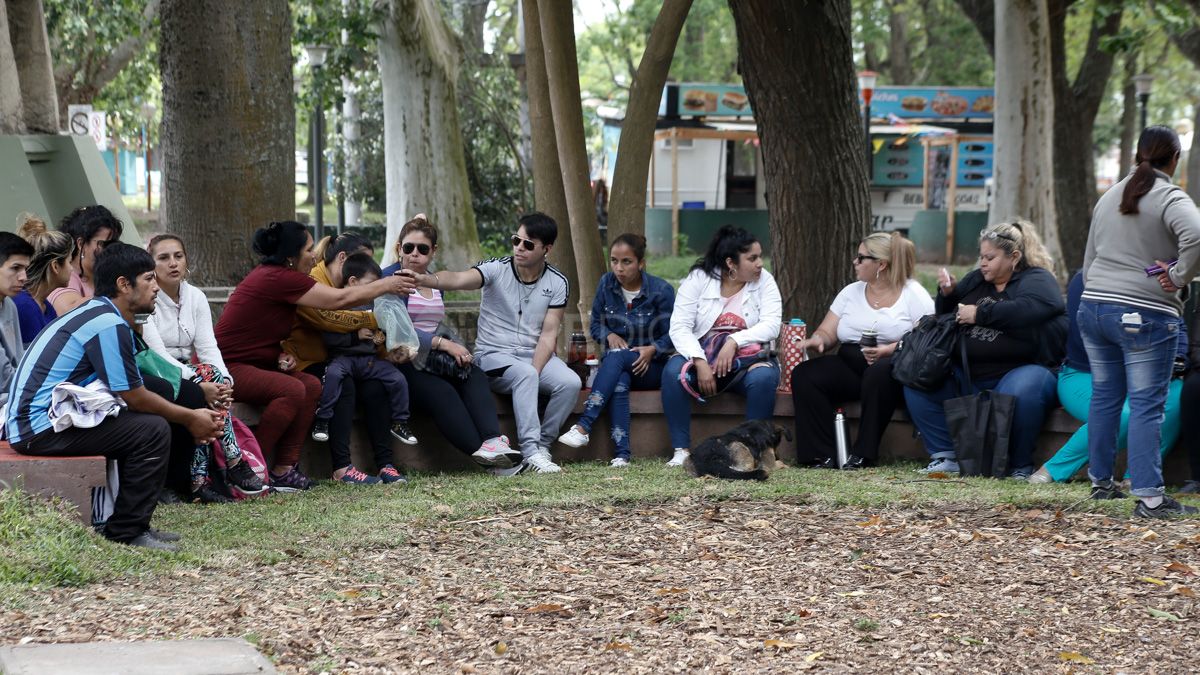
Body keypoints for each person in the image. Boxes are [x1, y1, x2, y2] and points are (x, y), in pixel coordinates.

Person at [6, 242, 223, 551]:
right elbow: (133, 397)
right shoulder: (106, 323)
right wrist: (190, 418)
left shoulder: (103, 315)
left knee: (152, 409)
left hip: (38, 423)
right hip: (37, 429)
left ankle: (129, 522)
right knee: (151, 430)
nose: (156, 287)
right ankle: (127, 531)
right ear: (124, 284)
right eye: (148, 278)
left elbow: (138, 383)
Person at [214, 221, 415, 491]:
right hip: (227, 367)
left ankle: (284, 469)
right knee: (293, 389)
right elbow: (337, 301)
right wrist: (387, 284)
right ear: (290, 256)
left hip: (257, 364)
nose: (314, 253)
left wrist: (280, 354)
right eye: (308, 249)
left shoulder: (283, 278)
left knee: (310, 386)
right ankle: (248, 466)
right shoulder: (279, 278)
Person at [1079, 125, 1200, 517]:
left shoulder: (1110, 194)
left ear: (1137, 154)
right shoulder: (1168, 196)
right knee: (1148, 404)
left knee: (1105, 395)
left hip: (1094, 306)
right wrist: (1179, 276)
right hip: (1144, 312)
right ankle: (1149, 497)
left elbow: (1090, 257)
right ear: (1175, 158)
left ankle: (1100, 483)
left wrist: (1094, 291)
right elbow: (1197, 237)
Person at [409, 212, 579, 474]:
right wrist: (427, 279)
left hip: (533, 356)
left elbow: (548, 334)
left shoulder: (558, 282)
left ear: (547, 249)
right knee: (525, 376)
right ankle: (530, 450)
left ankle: (542, 448)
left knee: (570, 383)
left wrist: (535, 369)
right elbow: (458, 279)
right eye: (516, 240)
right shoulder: (496, 269)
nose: (519, 248)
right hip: (493, 356)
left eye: (528, 244)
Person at [903, 220, 1066, 479]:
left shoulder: (1036, 279)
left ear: (1014, 257)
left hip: (1019, 371)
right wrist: (947, 293)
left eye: (990, 257)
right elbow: (946, 314)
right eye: (981, 256)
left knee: (1025, 389)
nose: (983, 263)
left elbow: (1038, 306)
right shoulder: (977, 280)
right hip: (966, 373)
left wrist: (981, 313)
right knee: (916, 377)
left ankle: (1019, 464)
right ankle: (946, 454)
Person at [381, 215, 520, 469]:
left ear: (433, 251)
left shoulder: (435, 282)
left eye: (422, 249)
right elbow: (398, 331)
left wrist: (453, 347)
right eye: (408, 247)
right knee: (443, 393)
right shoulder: (391, 279)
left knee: (473, 373)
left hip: (431, 359)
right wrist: (444, 345)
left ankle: (492, 443)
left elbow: (433, 324)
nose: (414, 254)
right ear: (399, 248)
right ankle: (492, 462)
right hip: (401, 362)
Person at [790, 232, 933, 469]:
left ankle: (864, 453)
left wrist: (887, 350)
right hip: (851, 363)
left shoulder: (913, 293)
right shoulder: (851, 292)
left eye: (861, 258)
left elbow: (927, 339)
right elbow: (828, 331)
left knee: (878, 373)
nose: (855, 262)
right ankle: (821, 454)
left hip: (894, 367)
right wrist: (817, 340)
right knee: (806, 374)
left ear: (881, 264)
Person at [140, 234, 266, 500]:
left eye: (178, 256)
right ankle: (232, 462)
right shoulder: (146, 298)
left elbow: (208, 348)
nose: (173, 264)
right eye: (163, 258)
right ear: (151, 265)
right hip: (159, 371)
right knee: (201, 390)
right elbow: (158, 356)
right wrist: (201, 382)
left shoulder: (195, 296)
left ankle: (200, 479)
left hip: (194, 371)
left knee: (212, 380)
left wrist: (225, 382)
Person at [281, 231, 413, 484]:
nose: (369, 272)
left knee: (377, 387)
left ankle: (386, 465)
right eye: (362, 262)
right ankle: (342, 468)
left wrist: (387, 348)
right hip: (310, 360)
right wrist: (376, 320)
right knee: (344, 385)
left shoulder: (360, 289)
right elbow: (326, 319)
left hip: (353, 359)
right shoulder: (314, 280)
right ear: (343, 258)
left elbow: (375, 335)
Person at [1031, 271, 1186, 484]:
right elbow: (1094, 339)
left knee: (1176, 398)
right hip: (1085, 374)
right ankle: (1053, 469)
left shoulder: (1156, 275)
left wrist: (1177, 357)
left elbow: (1177, 324)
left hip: (1143, 374)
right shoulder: (1086, 277)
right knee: (1123, 414)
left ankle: (1139, 476)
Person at [660, 225, 782, 468]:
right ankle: (681, 451)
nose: (760, 263)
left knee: (764, 377)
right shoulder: (699, 279)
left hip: (747, 360)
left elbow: (772, 325)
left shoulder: (765, 281)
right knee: (672, 373)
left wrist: (734, 340)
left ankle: (752, 451)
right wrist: (699, 359)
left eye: (760, 256)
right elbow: (679, 327)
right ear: (731, 263)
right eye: (752, 258)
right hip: (703, 357)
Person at [556, 233, 675, 467]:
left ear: (641, 263)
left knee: (616, 359)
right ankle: (621, 455)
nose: (618, 268)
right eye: (614, 261)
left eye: (626, 262)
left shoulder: (661, 291)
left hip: (651, 368)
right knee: (618, 378)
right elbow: (597, 324)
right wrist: (609, 335)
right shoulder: (606, 284)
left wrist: (652, 349)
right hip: (617, 368)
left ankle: (584, 425)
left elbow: (674, 335)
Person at [48, 204, 124, 316]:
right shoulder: (65, 275)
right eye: (104, 244)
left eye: (114, 243)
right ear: (81, 243)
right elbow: (68, 311)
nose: (111, 249)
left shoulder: (105, 274)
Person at [14, 213, 76, 346]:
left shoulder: (45, 306)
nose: (72, 269)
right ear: (55, 266)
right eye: (69, 262)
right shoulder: (24, 306)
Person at [0, 232, 33, 407]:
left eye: (25, 269)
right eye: (15, 268)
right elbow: (4, 380)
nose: (23, 277)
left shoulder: (9, 304)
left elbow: (19, 359)